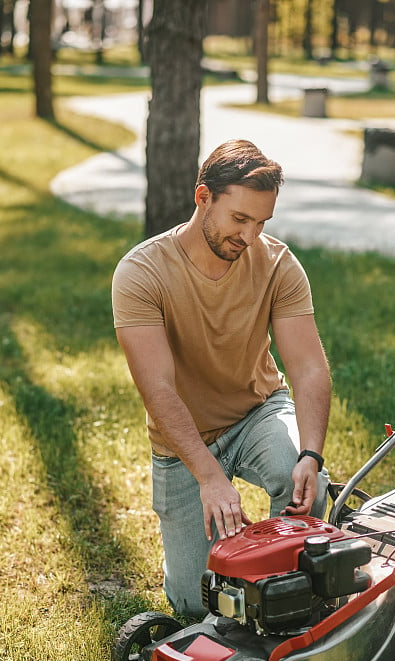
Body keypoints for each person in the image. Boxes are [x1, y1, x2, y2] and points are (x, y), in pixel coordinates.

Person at [112, 139, 331, 617]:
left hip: (258, 412)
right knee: (193, 605)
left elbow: (309, 366)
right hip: (183, 438)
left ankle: (285, 600)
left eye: (261, 222)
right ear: (202, 197)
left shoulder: (278, 264)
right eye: (239, 219)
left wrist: (311, 454)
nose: (250, 236)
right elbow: (158, 390)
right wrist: (210, 477)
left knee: (306, 484)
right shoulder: (141, 272)